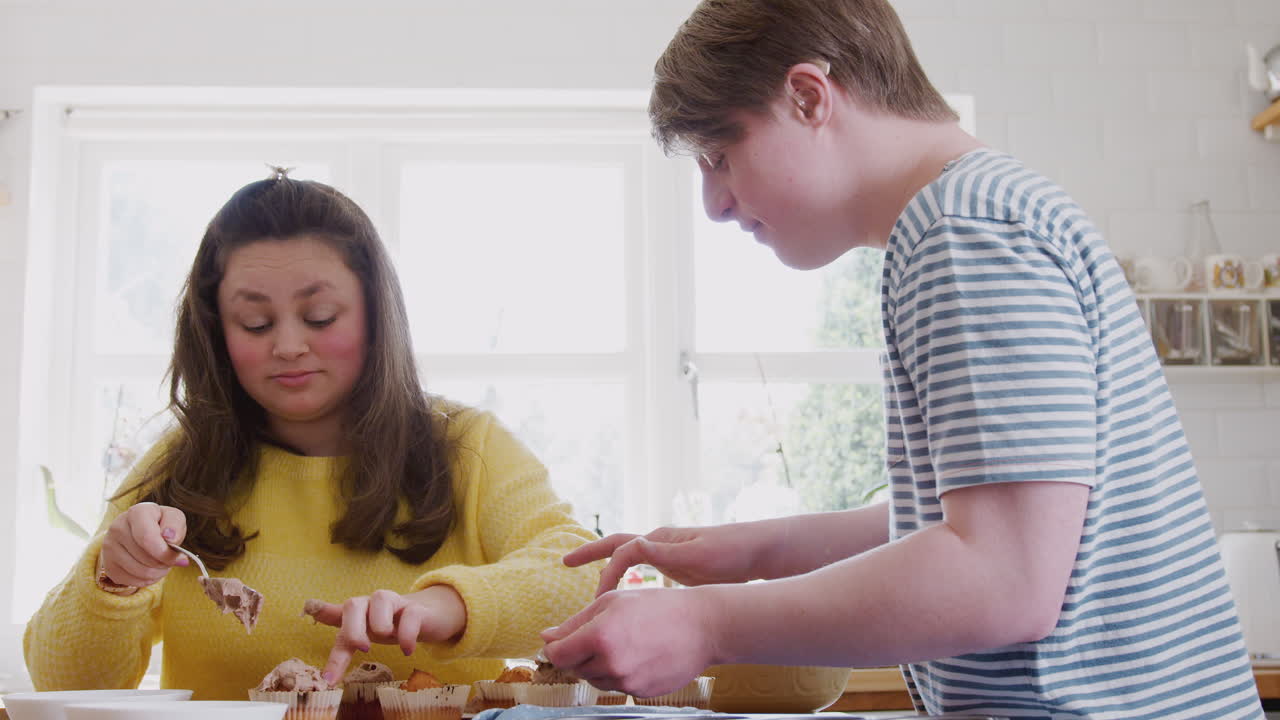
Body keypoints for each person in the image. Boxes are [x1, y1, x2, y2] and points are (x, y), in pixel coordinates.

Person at [540, 2, 1265, 718]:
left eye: (720, 157)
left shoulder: (964, 233)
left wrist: (708, 625)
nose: (714, 206)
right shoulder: (984, 211)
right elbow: (987, 519)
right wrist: (757, 549)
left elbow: (1003, 578)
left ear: (807, 96)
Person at [24, 170, 602, 700]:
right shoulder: (181, 466)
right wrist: (114, 579)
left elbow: (583, 575)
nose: (290, 345)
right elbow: (60, 681)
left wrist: (446, 605)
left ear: (375, 315)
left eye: (321, 316)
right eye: (255, 322)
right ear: (215, 331)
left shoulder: (468, 448)